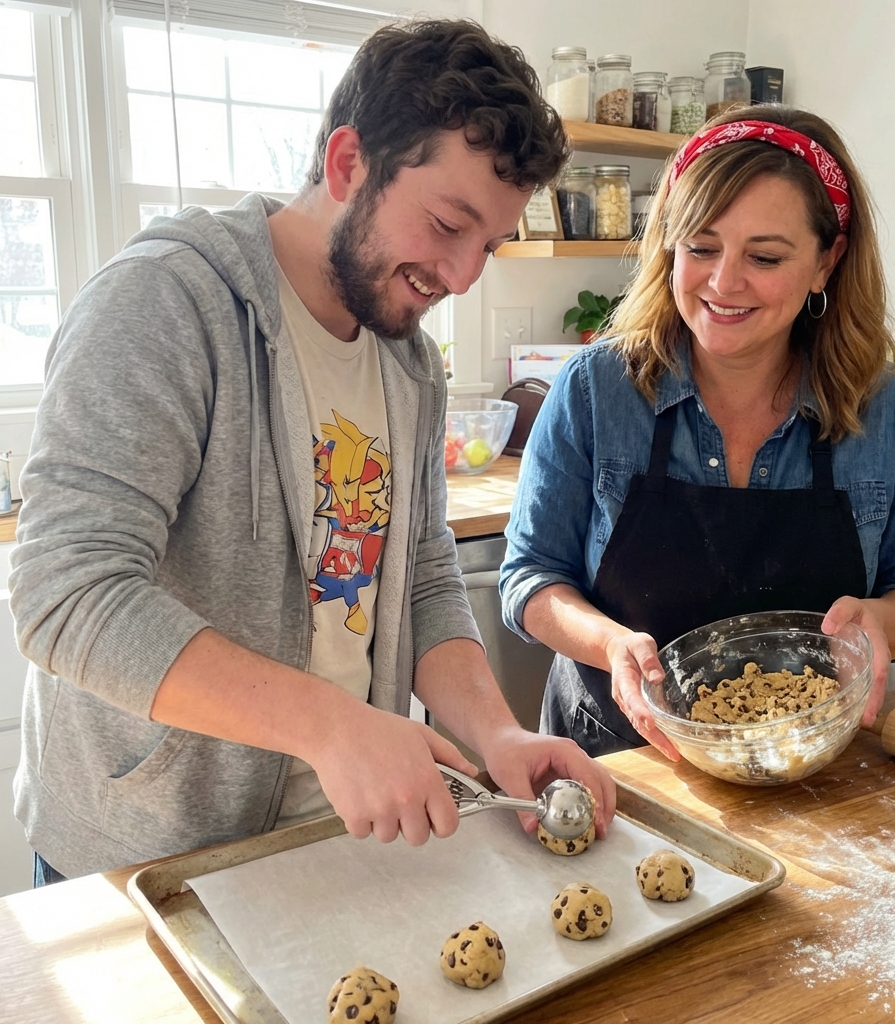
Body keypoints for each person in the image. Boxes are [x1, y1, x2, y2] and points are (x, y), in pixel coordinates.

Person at [9, 18, 616, 885]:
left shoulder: (405, 359)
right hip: (152, 861)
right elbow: (64, 592)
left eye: (488, 243)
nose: (463, 275)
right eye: (448, 223)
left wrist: (499, 732)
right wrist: (332, 725)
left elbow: (425, 577)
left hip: (337, 838)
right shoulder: (166, 305)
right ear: (346, 164)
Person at [500, 106, 895, 761]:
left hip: (803, 768)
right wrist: (609, 644)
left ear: (827, 262)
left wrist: (880, 623)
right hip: (615, 763)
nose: (723, 282)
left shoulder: (890, 409)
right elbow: (530, 579)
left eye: (764, 256)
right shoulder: (596, 391)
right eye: (701, 247)